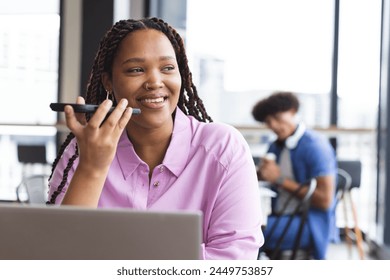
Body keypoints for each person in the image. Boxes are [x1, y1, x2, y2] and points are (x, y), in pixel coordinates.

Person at [47, 17, 263, 260]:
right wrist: (92, 167)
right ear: (108, 81)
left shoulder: (223, 148)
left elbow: (235, 260)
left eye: (168, 68)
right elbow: (61, 256)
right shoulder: (82, 150)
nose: (155, 82)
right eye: (136, 70)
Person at [252, 91, 337, 260]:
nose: (274, 126)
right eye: (268, 122)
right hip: (278, 215)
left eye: (277, 117)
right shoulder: (276, 146)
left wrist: (279, 180)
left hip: (309, 224)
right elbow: (268, 177)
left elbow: (325, 201)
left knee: (246, 233)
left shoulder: (315, 146)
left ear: (292, 111)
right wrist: (261, 174)